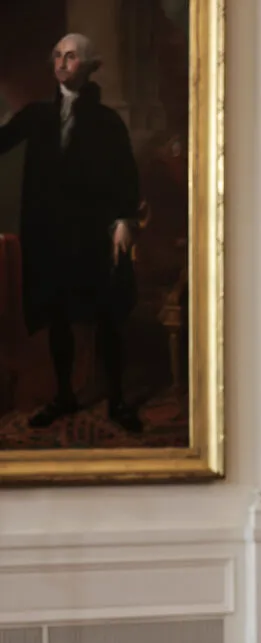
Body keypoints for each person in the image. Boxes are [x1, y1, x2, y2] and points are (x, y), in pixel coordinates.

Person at [0, 33, 142, 431]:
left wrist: (123, 222)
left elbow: (125, 177)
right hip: (50, 235)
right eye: (58, 56)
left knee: (107, 316)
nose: (63, 63)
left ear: (91, 65)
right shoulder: (36, 115)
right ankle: (64, 395)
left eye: (72, 57)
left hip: (95, 235)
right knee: (57, 316)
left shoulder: (108, 121)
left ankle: (117, 399)